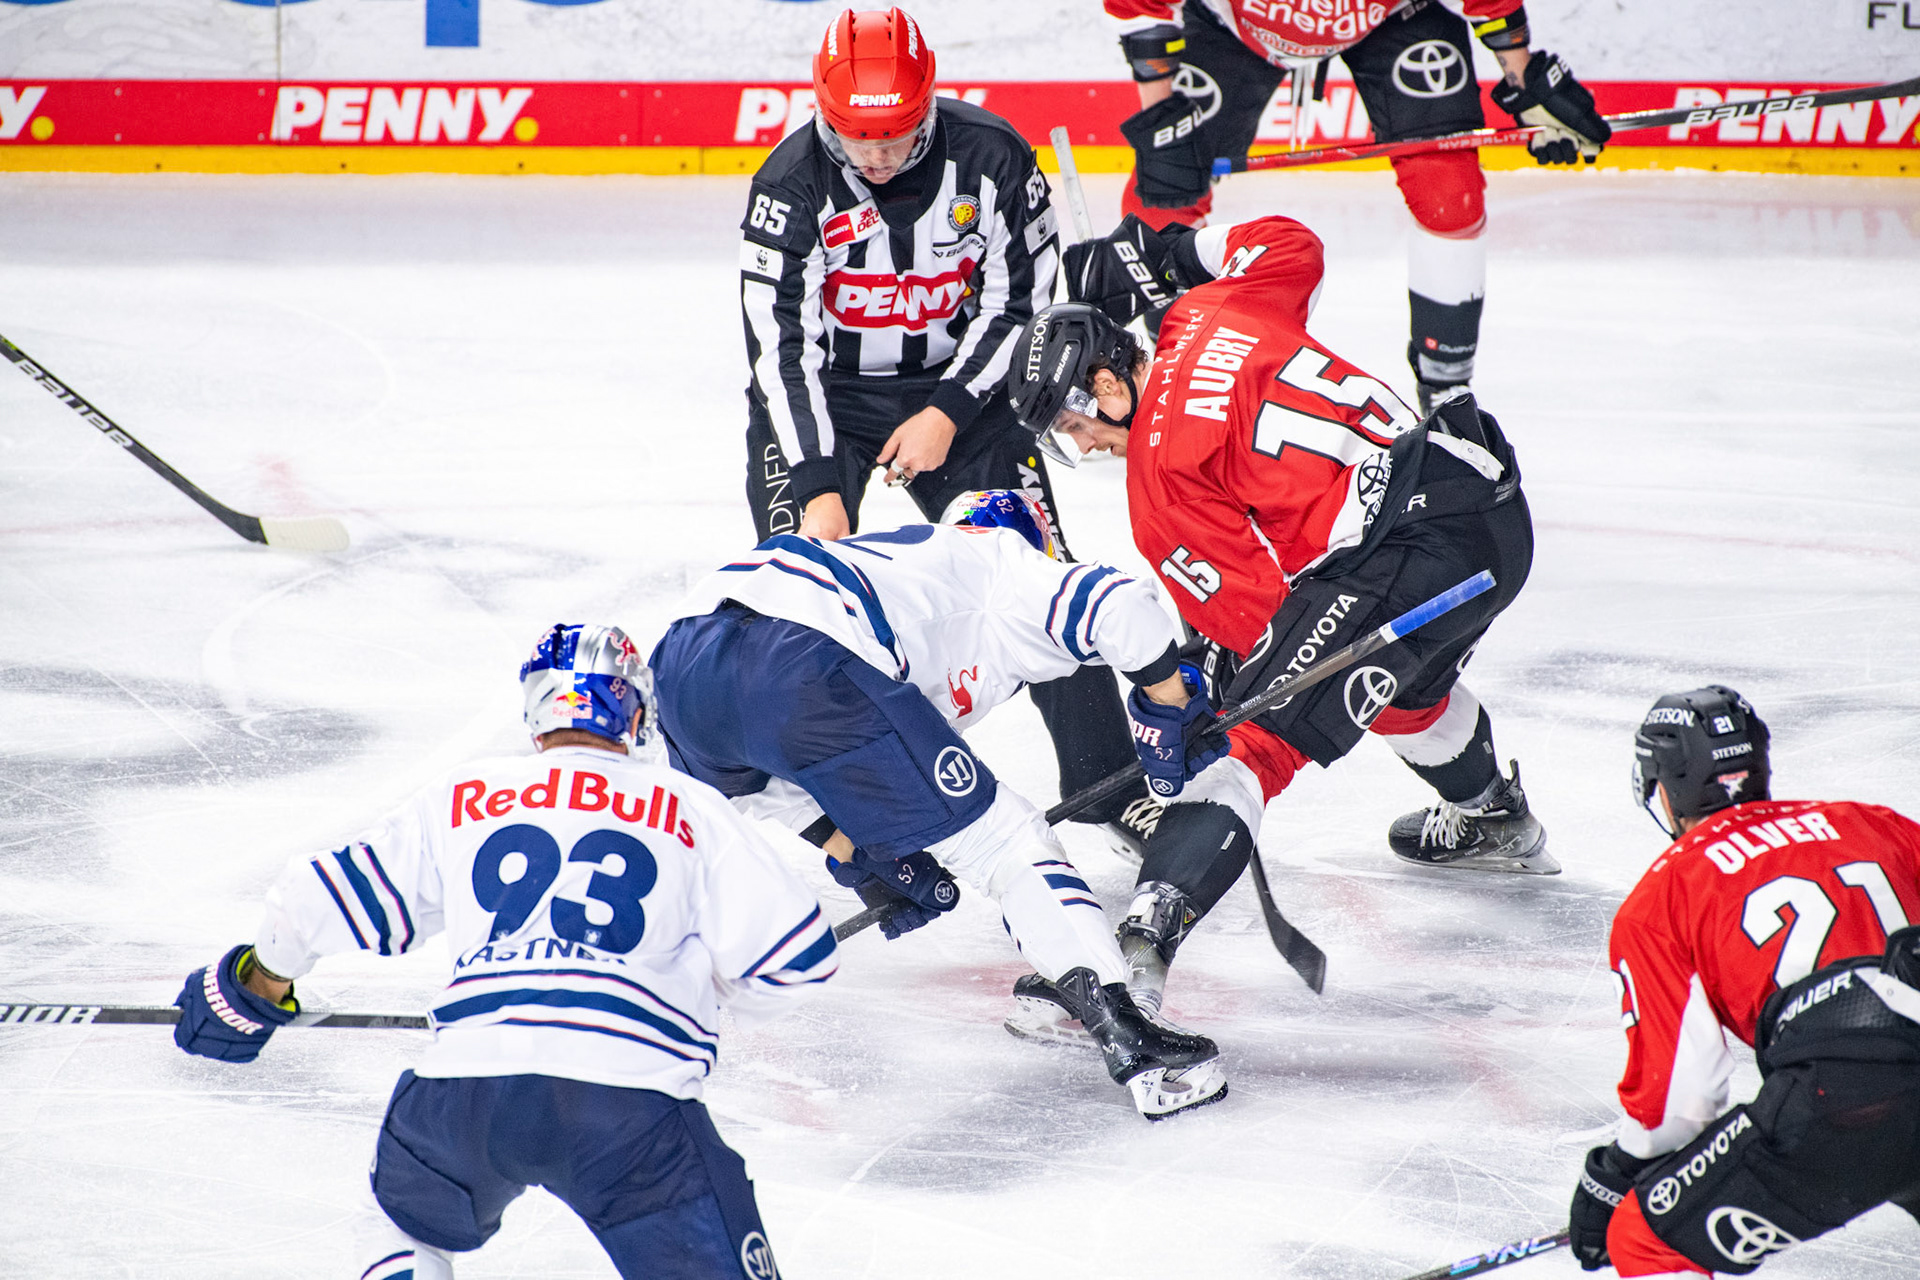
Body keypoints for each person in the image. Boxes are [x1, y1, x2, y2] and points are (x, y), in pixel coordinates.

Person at [1005, 213, 1551, 1020]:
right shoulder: (1207, 309)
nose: (1083, 447)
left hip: (1408, 553)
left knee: (1248, 744)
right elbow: (1294, 242)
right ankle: (1492, 814)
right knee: (1394, 687)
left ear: (1109, 388)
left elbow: (1260, 620)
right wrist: (1164, 253)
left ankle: (1127, 967)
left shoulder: (1159, 487)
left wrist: (1207, 697)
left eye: (1074, 426)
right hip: (1488, 506)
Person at [171, 624, 838, 1280]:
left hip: (467, 1088)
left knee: (398, 1226)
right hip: (630, 1108)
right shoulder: (692, 807)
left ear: (537, 707)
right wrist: (709, 992)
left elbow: (314, 902)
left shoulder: (464, 794)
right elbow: (800, 957)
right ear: (635, 712)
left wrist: (254, 985)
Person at [648, 491, 1227, 1119]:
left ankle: (620, 982)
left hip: (683, 665)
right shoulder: (998, 558)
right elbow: (1120, 604)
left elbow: (767, 768)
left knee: (685, 845)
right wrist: (1171, 702)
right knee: (1006, 842)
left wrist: (857, 850)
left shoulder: (907, 570)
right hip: (805, 659)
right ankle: (1125, 1028)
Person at [741, 4, 1151, 846]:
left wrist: (947, 412)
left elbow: (1020, 305)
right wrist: (818, 484)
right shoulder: (789, 186)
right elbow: (781, 354)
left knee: (1037, 578)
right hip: (827, 400)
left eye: (896, 136)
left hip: (966, 390)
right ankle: (820, 810)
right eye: (857, 138)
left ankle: (1108, 786)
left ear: (929, 104)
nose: (877, 157)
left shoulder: (994, 157)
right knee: (793, 595)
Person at [1100, 0, 1611, 412]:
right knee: (1161, 196)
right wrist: (1162, 121)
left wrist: (1523, 78)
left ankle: (1446, 386)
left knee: (1448, 195)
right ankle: (1171, 373)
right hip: (1233, 25)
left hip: (1393, 18)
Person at [1568, 686, 1920, 1278]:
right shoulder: (1873, 823)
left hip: (1847, 1099)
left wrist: (1615, 1177)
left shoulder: (1665, 894)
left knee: (1645, 1240)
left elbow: (1676, 1105)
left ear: (1664, 786)